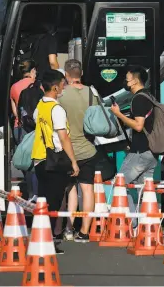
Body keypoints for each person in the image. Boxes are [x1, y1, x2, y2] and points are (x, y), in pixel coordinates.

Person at [31, 69, 79, 254]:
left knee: (43, 200)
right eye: (62, 84)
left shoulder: (40, 105)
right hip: (54, 160)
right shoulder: (56, 109)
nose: (64, 87)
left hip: (39, 158)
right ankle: (47, 241)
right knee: (53, 201)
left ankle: (42, 238)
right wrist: (73, 161)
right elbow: (63, 137)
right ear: (55, 87)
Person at [110, 65, 157, 228]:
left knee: (120, 183)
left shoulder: (139, 99)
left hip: (141, 152)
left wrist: (118, 114)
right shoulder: (149, 96)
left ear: (135, 81)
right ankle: (147, 225)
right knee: (145, 191)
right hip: (151, 152)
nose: (126, 81)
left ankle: (133, 222)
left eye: (128, 78)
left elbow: (138, 126)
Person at [58, 59, 98, 243]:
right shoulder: (92, 92)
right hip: (88, 149)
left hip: (68, 149)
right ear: (81, 74)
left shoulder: (61, 95)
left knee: (69, 189)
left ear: (66, 74)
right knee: (87, 189)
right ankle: (84, 232)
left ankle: (68, 228)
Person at [10, 59, 38, 201]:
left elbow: (15, 111)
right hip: (36, 128)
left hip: (20, 127)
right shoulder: (38, 86)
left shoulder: (14, 87)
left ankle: (32, 191)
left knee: (26, 162)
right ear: (33, 71)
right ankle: (38, 192)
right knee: (37, 160)